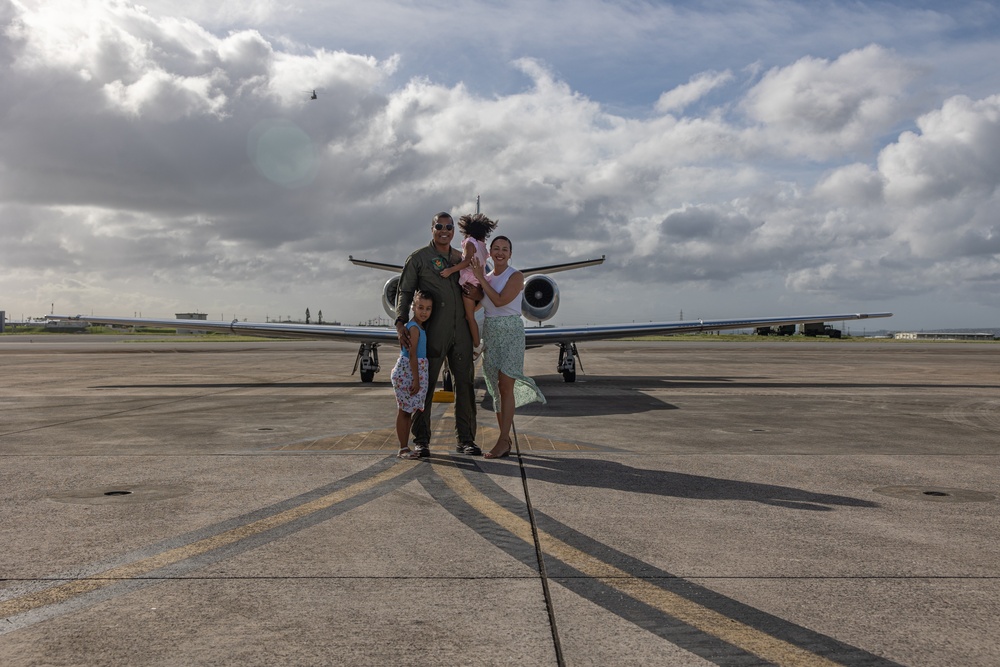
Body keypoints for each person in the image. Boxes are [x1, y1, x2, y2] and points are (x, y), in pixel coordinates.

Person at [395, 212, 480, 457]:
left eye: (449, 227)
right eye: (439, 226)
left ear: (454, 231)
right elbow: (406, 291)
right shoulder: (419, 259)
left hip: (461, 331)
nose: (445, 230)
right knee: (425, 387)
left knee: (465, 385)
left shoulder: (461, 258)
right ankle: (421, 440)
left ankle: (466, 439)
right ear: (432, 229)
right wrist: (401, 322)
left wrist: (476, 294)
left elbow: (479, 287)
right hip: (431, 334)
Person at [470, 235, 546, 458]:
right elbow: (475, 306)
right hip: (492, 333)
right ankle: (504, 439)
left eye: (504, 249)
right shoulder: (487, 277)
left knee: (505, 385)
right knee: (495, 390)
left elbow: (501, 301)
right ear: (490, 252)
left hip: (511, 332)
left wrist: (480, 280)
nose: (500, 252)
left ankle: (503, 440)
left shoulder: (516, 276)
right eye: (496, 248)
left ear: (510, 254)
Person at [439, 213, 498, 355]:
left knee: (469, 316)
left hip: (469, 282)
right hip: (481, 283)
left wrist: (450, 270)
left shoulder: (470, 243)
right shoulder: (483, 247)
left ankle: (477, 345)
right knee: (473, 312)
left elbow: (466, 262)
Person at [392, 290, 433, 460]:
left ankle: (405, 447)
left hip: (411, 371)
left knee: (407, 411)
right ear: (413, 307)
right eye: (420, 307)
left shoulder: (418, 327)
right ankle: (402, 448)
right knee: (404, 411)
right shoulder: (414, 329)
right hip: (408, 373)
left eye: (428, 308)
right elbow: (413, 355)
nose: (424, 312)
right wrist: (416, 379)